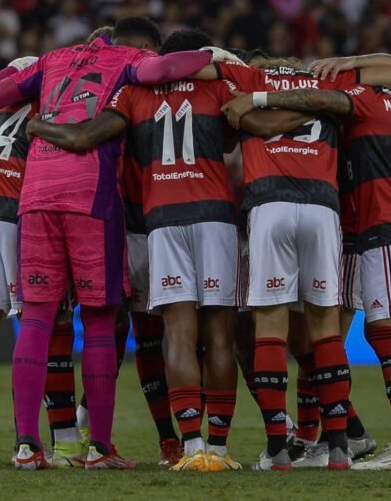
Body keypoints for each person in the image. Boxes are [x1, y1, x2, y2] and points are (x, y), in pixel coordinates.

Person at [0, 16, 215, 470]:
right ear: (142, 45)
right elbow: (165, 70)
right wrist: (214, 57)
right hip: (91, 198)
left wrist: (17, 69)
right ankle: (99, 448)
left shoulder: (53, 59)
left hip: (36, 196)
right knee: (101, 322)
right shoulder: (133, 59)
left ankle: (26, 446)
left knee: (38, 317)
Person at [28, 29, 273, 473]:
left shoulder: (134, 92)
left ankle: (190, 444)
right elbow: (244, 132)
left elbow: (85, 137)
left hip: (162, 222)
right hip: (215, 215)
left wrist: (39, 125)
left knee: (176, 333)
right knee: (219, 333)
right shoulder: (218, 84)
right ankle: (218, 450)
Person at [223, 77, 391, 471]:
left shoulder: (333, 95)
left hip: (298, 207)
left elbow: (251, 113)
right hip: (330, 211)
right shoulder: (355, 101)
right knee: (326, 331)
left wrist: (252, 100)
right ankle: (337, 443)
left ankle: (279, 449)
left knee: (272, 327)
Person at [0, 83, 86, 471]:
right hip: (19, 214)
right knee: (51, 321)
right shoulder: (58, 96)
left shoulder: (8, 92)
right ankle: (61, 442)